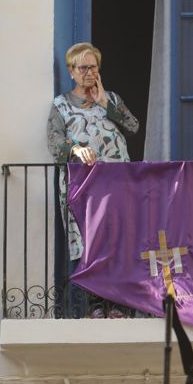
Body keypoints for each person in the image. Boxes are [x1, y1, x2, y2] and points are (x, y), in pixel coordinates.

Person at [47, 41, 139, 318]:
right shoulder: (61, 105)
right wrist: (75, 147)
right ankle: (95, 306)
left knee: (118, 239)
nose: (89, 73)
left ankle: (119, 305)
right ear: (71, 71)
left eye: (93, 67)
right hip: (82, 187)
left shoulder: (111, 99)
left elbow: (133, 126)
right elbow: (54, 142)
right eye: (83, 67)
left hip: (117, 183)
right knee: (89, 242)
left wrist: (104, 103)